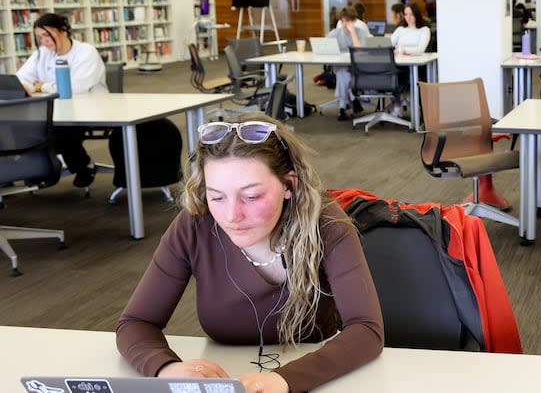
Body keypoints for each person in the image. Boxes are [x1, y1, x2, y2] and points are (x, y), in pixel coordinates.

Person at [116, 114, 384, 393]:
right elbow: (136, 322)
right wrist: (165, 368)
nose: (232, 215)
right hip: (226, 375)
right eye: (217, 196)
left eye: (252, 196)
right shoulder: (194, 224)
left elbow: (366, 329)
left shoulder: (326, 224)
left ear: (289, 186)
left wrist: (283, 379)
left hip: (315, 379)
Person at [16, 12, 107, 188]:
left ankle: (83, 165)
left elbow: (78, 86)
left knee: (59, 130)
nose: (44, 41)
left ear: (63, 31)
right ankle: (34, 168)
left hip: (88, 108)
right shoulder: (42, 54)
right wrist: (28, 85)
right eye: (39, 37)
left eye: (47, 35)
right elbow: (21, 78)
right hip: (55, 107)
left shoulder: (86, 52)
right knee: (21, 127)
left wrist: (41, 86)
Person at [328, 6, 369, 121]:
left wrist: (353, 33)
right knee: (342, 72)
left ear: (354, 20)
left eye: (349, 20)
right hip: (341, 65)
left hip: (358, 67)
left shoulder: (360, 33)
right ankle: (351, 97)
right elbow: (324, 47)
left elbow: (360, 51)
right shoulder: (335, 33)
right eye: (344, 20)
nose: (346, 23)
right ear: (341, 21)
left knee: (342, 74)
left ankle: (343, 106)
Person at [390, 3, 431, 117]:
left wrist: (402, 49)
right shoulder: (400, 30)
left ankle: (417, 112)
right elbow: (389, 44)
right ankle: (396, 106)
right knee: (391, 74)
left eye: (411, 14)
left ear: (417, 15)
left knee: (398, 77)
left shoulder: (424, 30)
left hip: (416, 67)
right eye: (406, 14)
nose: (408, 17)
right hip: (399, 64)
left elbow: (420, 49)